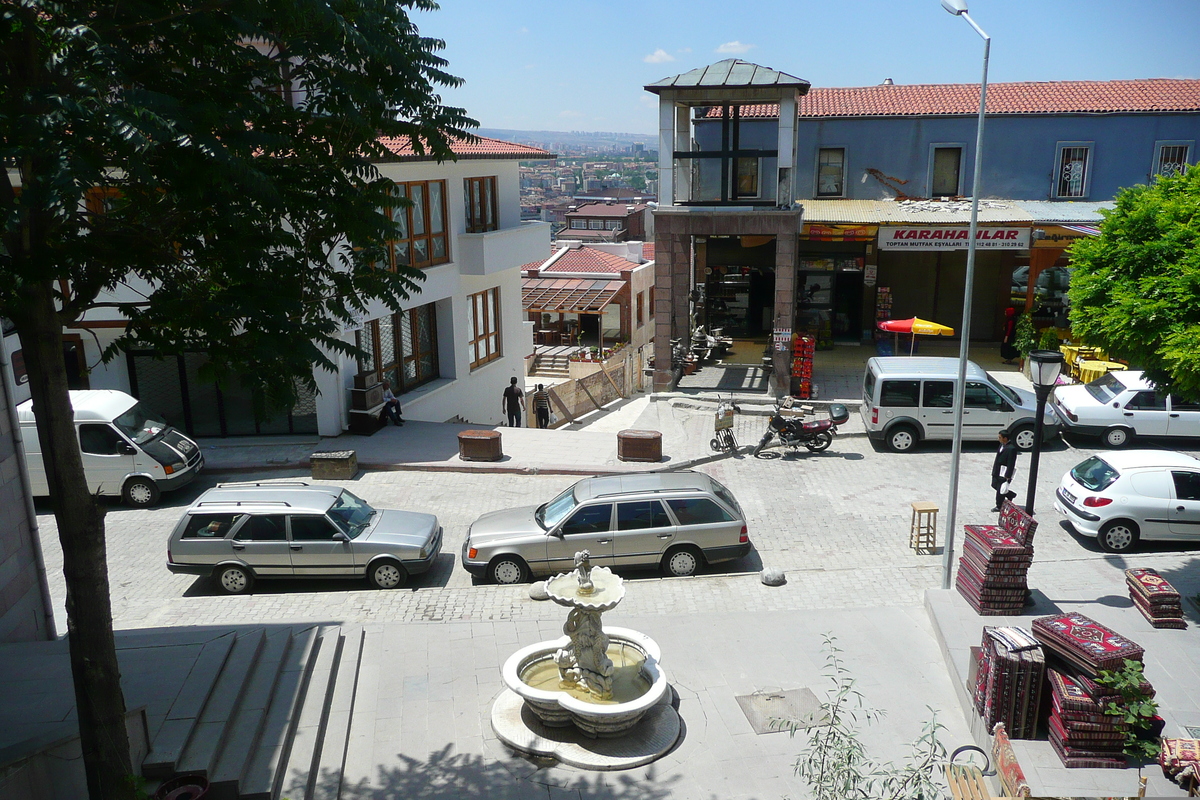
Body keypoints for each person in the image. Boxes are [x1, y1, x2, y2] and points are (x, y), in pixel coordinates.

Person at [991, 429, 1019, 512]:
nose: (998, 439)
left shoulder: (1011, 449)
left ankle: (999, 506)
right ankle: (1010, 494)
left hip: (1004, 473)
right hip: (997, 470)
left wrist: (1008, 476)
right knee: (994, 485)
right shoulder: (1001, 445)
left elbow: (1011, 463)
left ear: (1005, 438)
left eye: (1000, 437)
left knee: (1000, 491)